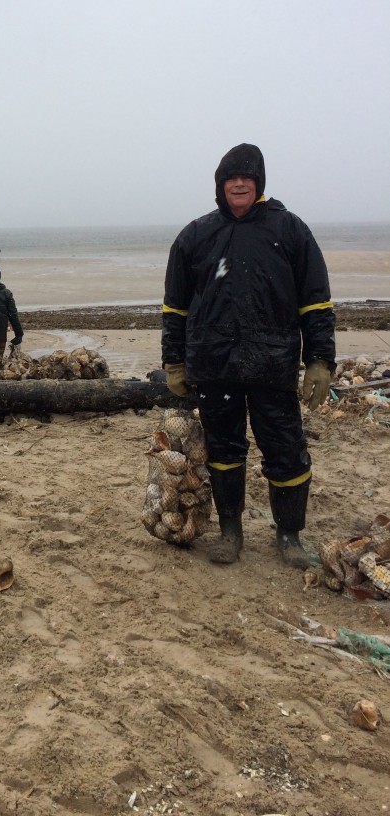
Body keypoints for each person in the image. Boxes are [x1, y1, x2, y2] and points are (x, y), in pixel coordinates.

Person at [161, 143, 335, 569]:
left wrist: (319, 361)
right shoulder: (196, 235)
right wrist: (174, 361)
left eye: (247, 177)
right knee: (223, 451)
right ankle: (230, 532)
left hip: (272, 365)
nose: (238, 183)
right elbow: (174, 306)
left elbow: (316, 303)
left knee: (287, 450)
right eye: (230, 178)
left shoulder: (290, 230)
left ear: (258, 183)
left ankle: (290, 534)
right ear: (220, 186)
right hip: (215, 366)